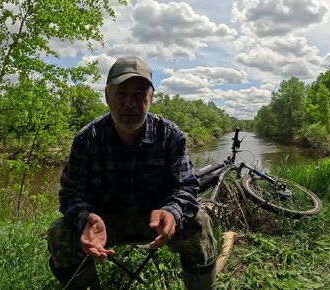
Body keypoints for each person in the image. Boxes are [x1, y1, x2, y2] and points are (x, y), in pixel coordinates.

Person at [46, 55, 217, 290]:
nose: (130, 103)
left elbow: (186, 185)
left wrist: (173, 212)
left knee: (199, 221)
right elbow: (71, 193)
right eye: (121, 94)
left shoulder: (170, 135)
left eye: (139, 95)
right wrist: (85, 218)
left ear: (151, 97)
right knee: (59, 234)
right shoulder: (87, 139)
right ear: (107, 96)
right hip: (103, 227)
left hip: (155, 224)